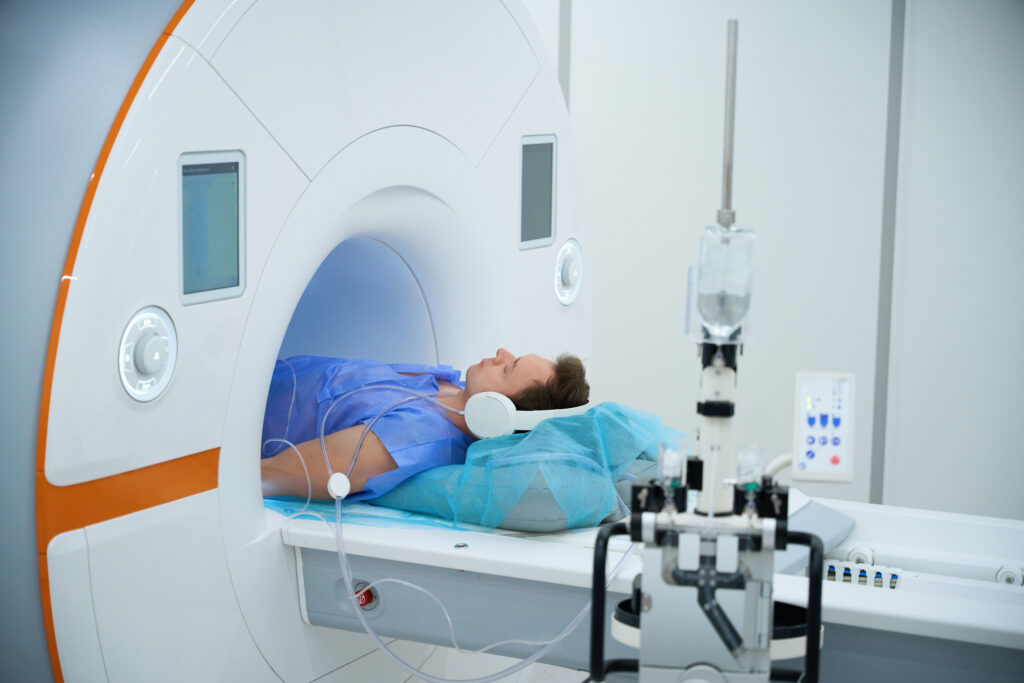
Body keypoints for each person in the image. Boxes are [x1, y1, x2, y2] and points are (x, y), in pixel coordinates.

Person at [260, 348, 589, 500]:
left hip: (231, 426)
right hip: (257, 374)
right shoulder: (447, 381)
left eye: (508, 369)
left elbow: (272, 474)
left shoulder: (414, 439)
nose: (502, 352)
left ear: (500, 413)